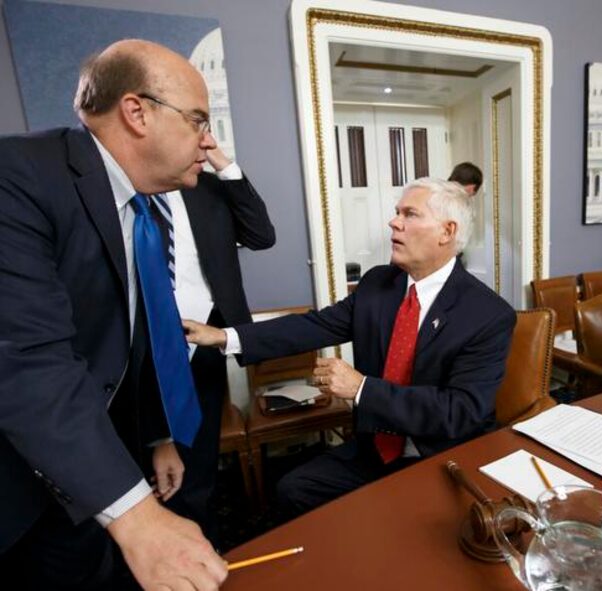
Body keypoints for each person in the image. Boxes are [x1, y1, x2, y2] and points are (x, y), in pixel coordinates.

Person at [0, 40, 227, 589]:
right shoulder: (18, 176)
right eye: (197, 118)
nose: (208, 139)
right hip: (26, 485)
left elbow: (133, 335)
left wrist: (157, 436)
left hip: (104, 461)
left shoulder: (141, 207)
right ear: (137, 112)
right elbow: (28, 361)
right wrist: (138, 518)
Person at [184, 178, 516, 521]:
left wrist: (361, 389)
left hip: (443, 455)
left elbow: (459, 412)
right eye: (396, 212)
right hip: (376, 448)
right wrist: (225, 337)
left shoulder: (488, 314)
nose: (394, 222)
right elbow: (313, 326)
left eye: (410, 214)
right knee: (291, 491)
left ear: (447, 232)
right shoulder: (378, 284)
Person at [158, 145, 275, 539]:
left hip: (204, 341)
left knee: (199, 460)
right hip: (146, 346)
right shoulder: (130, 190)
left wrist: (225, 166)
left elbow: (262, 235)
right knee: (150, 462)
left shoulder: (209, 188)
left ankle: (200, 541)